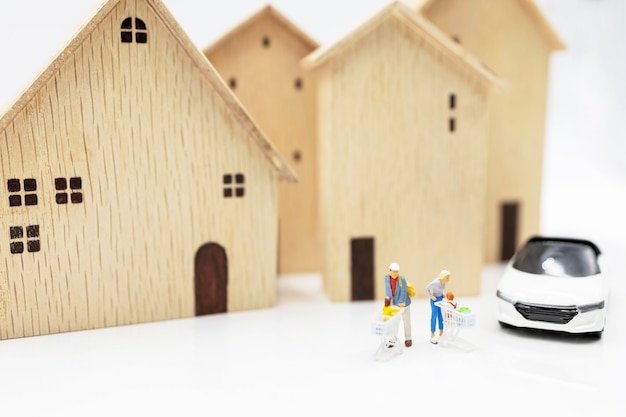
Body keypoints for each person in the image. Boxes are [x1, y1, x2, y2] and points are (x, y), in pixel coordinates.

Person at [384, 262, 412, 347]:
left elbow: (403, 291)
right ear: (390, 271)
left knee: (406, 321)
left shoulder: (402, 279)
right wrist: (389, 300)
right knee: (394, 322)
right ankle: (393, 339)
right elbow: (388, 289)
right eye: (394, 271)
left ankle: (408, 338)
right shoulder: (386, 278)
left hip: (404, 303)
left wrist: (401, 302)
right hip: (395, 304)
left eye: (397, 271)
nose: (395, 273)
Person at [425, 270, 451, 344]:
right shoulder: (435, 283)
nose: (449, 278)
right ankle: (432, 334)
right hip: (434, 300)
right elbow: (426, 289)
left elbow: (442, 290)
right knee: (434, 316)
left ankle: (441, 331)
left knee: (441, 315)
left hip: (440, 299)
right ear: (443, 277)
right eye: (447, 277)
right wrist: (431, 296)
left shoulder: (445, 283)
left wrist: (443, 294)